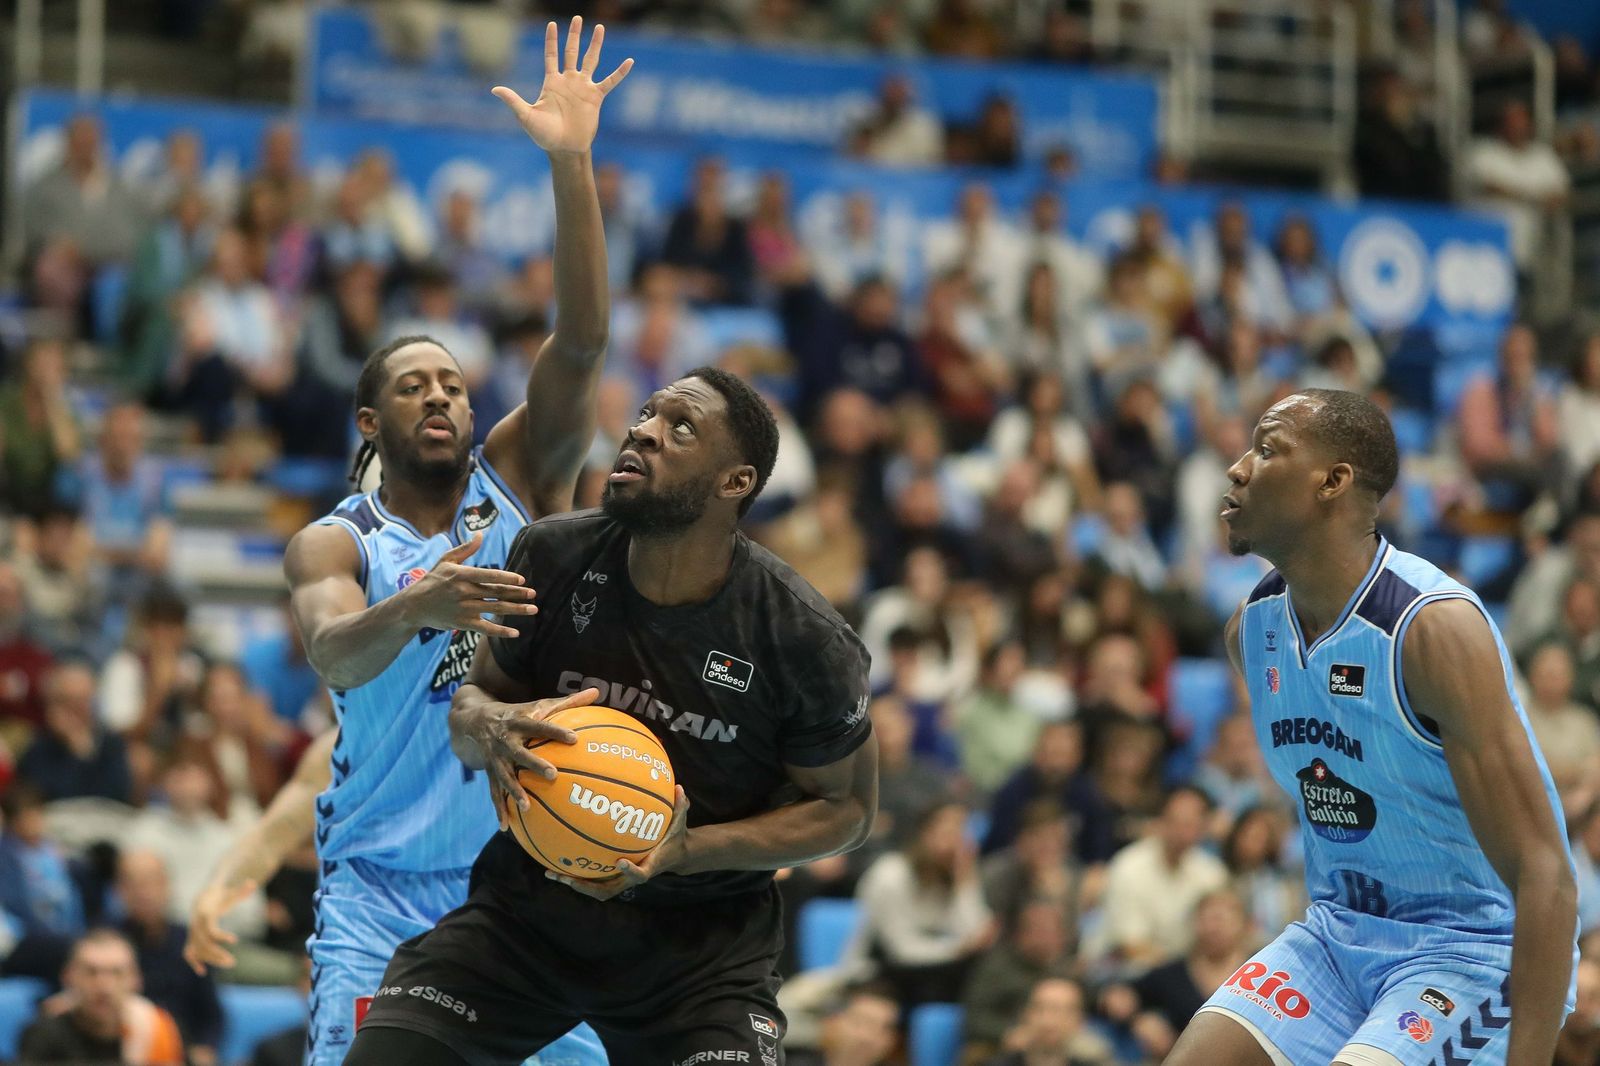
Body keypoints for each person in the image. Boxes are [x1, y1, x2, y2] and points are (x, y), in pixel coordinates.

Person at [272, 18, 630, 1065]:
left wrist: (571, 165)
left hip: (517, 889)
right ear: (371, 424)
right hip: (377, 897)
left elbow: (584, 340)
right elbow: (334, 649)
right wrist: (418, 604)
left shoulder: (518, 477)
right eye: (412, 385)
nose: (441, 394)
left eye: (454, 384)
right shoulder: (334, 543)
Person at [346, 363, 878, 1064]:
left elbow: (847, 811)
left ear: (736, 482)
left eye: (679, 427)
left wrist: (690, 852)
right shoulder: (552, 554)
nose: (644, 432)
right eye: (647, 415)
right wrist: (486, 724)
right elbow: (473, 708)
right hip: (526, 920)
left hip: (699, 955)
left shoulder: (801, 634)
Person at [1167, 390, 1578, 1066]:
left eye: (1268, 450)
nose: (1237, 468)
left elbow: (1546, 875)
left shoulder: (1432, 632)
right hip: (1335, 936)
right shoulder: (1253, 632)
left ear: (1333, 483)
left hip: (1474, 948)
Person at [18, 928, 184, 1065]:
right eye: (91, 972)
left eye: (117, 973)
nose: (104, 986)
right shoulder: (43, 1034)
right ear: (67, 976)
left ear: (137, 980)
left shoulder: (156, 1028)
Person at [116, 850, 222, 1065]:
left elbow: (212, 1013)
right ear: (119, 890)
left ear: (167, 886)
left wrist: (206, 1048)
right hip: (123, 1049)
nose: (142, 892)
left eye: (151, 882)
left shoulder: (191, 942)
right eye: (133, 884)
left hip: (183, 1052)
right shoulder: (106, 944)